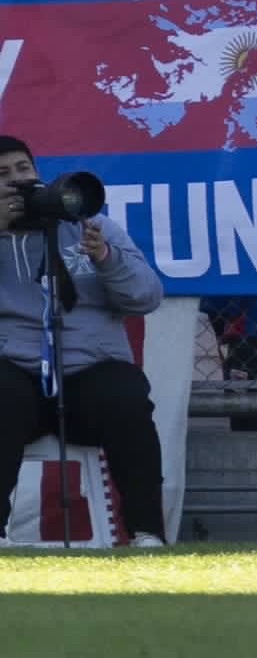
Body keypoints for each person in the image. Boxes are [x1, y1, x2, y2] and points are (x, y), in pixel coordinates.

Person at [0, 136, 168, 548]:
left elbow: (147, 296)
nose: (16, 181)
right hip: (15, 373)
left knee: (127, 394)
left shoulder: (92, 227)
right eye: (2, 175)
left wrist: (106, 259)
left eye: (23, 169)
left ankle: (148, 534)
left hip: (88, 373)